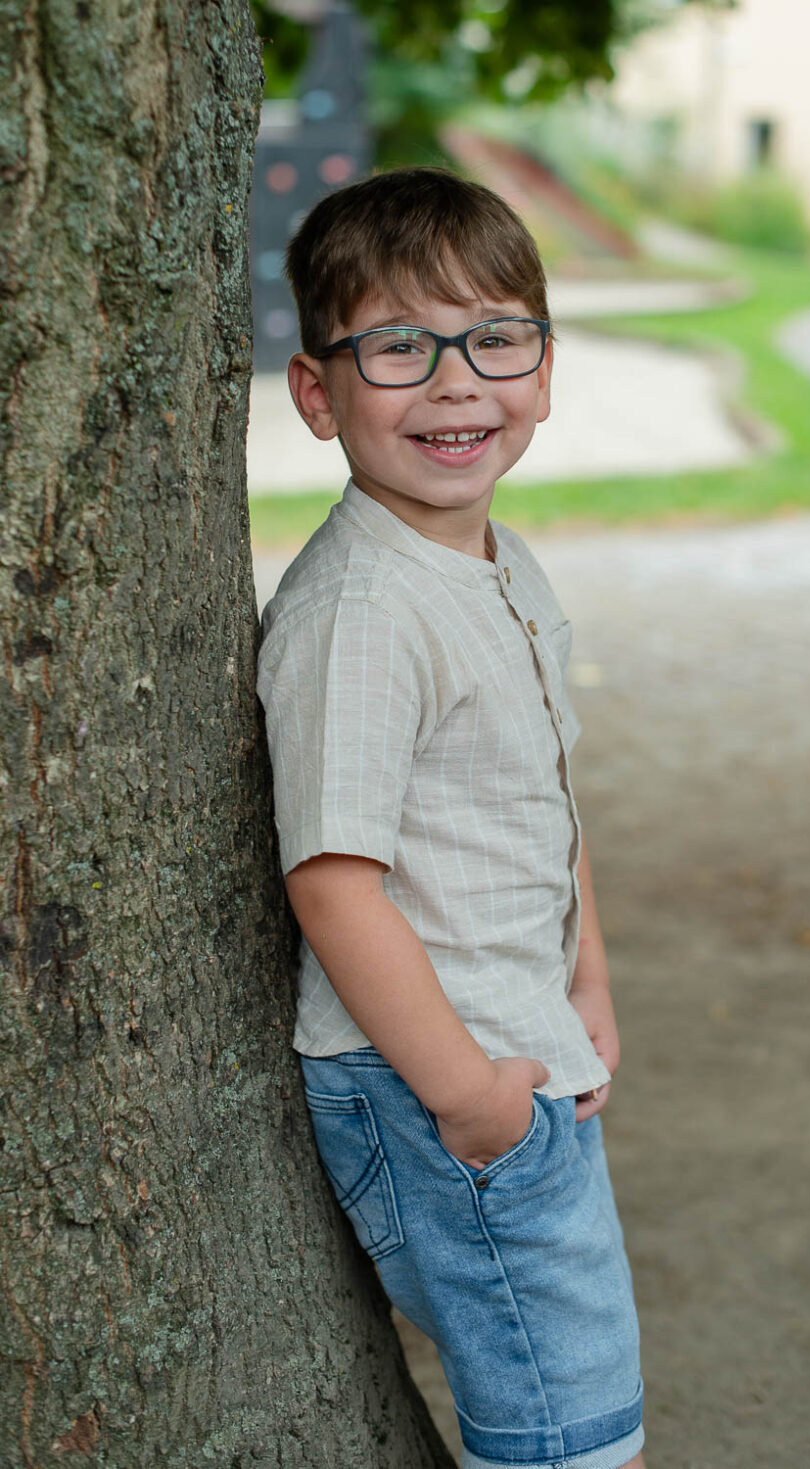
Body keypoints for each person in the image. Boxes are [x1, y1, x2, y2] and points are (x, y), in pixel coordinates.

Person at [257, 166, 645, 1469]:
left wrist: (587, 975)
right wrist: (471, 1097)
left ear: (543, 361)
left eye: (495, 336)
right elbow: (335, 884)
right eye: (398, 347)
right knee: (567, 1442)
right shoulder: (361, 612)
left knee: (572, 1422)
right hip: (437, 1076)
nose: (456, 381)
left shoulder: (494, 554)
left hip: (511, 1040)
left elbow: (547, 781)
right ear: (319, 390)